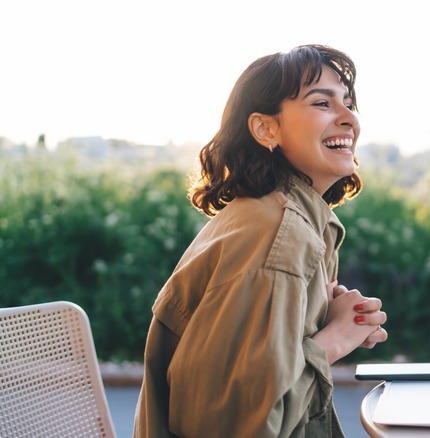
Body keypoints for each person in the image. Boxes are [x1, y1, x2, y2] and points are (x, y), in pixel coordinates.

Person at [133, 44, 388, 438]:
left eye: (349, 103)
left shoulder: (278, 216)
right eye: (322, 102)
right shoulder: (277, 238)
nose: (348, 119)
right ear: (266, 129)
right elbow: (236, 428)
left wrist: (325, 317)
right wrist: (333, 341)